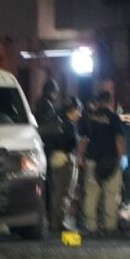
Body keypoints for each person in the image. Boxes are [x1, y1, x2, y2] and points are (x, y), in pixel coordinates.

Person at [79, 91, 125, 234]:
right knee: (111, 194)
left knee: (91, 194)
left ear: (98, 101)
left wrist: (80, 157)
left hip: (92, 160)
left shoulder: (89, 117)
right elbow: (119, 139)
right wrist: (121, 157)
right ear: (111, 101)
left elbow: (83, 139)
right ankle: (110, 225)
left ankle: (90, 225)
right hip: (111, 160)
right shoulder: (114, 117)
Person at [48, 96, 82, 232]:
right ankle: (60, 221)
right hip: (65, 159)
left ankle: (55, 221)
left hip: (55, 158)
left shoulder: (57, 121)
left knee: (58, 192)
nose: (79, 114)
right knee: (64, 192)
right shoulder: (69, 125)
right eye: (78, 111)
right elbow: (71, 143)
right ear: (73, 110)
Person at [34, 78, 61, 219]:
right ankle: (48, 213)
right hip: (46, 148)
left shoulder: (39, 104)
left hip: (42, 147)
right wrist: (58, 128)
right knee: (48, 181)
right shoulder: (47, 106)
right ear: (52, 92)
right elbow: (48, 128)